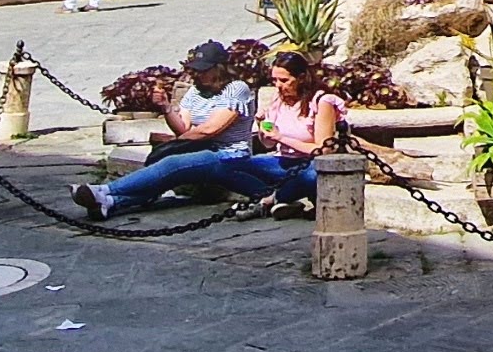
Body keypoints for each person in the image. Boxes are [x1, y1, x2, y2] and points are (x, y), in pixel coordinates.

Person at [72, 41, 255, 221]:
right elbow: (183, 127)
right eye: (196, 70)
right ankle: (110, 202)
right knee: (164, 179)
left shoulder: (236, 89)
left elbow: (209, 130)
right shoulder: (195, 92)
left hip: (230, 154)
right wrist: (166, 107)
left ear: (219, 69)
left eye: (203, 70)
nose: (198, 75)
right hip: (200, 150)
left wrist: (176, 144)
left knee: (171, 164)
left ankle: (105, 190)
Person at [219, 49, 342, 215]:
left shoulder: (321, 101)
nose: (278, 85)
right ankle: (278, 199)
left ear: (301, 78)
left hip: (308, 163)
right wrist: (263, 125)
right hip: (281, 161)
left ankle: (273, 200)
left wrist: (282, 138)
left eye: (284, 80)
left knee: (311, 176)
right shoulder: (278, 98)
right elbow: (268, 143)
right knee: (228, 165)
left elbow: (323, 149)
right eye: (275, 80)